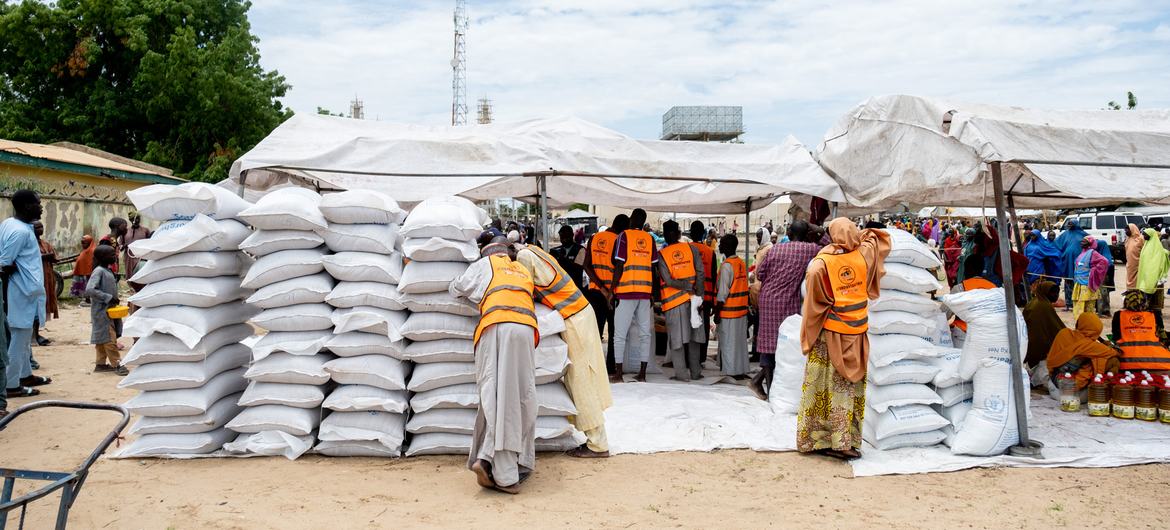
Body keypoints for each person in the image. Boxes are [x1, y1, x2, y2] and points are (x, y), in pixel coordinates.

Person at [450, 238, 539, 494]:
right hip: (526, 330)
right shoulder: (522, 270)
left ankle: (504, 474)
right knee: (521, 398)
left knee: (496, 397)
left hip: (496, 326)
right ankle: (489, 459)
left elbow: (457, 287)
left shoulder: (485, 264)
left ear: (487, 253)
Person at [797, 218, 889, 460]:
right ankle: (845, 439)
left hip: (830, 336)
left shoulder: (820, 265)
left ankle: (818, 439)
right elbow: (877, 236)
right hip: (857, 334)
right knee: (849, 387)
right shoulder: (865, 255)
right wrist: (855, 237)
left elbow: (814, 305)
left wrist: (808, 333)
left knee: (822, 386)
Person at [513, 241, 613, 458]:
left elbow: (524, 291)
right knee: (585, 375)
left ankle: (598, 444)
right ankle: (595, 436)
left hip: (574, 318)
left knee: (581, 379)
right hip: (580, 313)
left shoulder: (524, 259)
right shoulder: (533, 251)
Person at [750, 220, 821, 399]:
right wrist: (817, 229)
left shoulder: (775, 249)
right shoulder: (810, 250)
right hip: (788, 302)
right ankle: (772, 389)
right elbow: (829, 243)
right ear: (806, 234)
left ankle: (763, 384)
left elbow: (760, 274)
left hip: (768, 300)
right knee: (785, 343)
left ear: (788, 234)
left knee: (768, 344)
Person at [0, 190, 51, 398]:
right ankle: (11, 386)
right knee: (19, 337)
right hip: (20, 292)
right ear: (26, 206)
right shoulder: (19, 231)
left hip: (26, 291)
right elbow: (4, 263)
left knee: (23, 336)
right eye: (38, 204)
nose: (41, 207)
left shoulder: (12, 224)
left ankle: (25, 375)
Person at [609, 209, 657, 383]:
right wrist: (652, 293)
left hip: (626, 292)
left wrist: (611, 291)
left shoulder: (624, 236)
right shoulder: (650, 239)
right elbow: (653, 268)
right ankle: (642, 374)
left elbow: (619, 265)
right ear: (643, 222)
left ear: (631, 220)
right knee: (646, 334)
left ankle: (619, 374)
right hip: (644, 293)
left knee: (619, 335)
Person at [655, 221, 705, 381]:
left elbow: (668, 281)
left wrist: (685, 286)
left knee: (677, 339)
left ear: (664, 234)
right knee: (694, 337)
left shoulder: (662, 255)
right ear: (678, 233)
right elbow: (700, 274)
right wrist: (698, 295)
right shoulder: (691, 249)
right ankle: (696, 373)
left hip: (674, 303)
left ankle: (682, 375)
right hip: (693, 300)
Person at [585, 215, 628, 375]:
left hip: (595, 291)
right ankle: (610, 367)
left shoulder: (594, 238)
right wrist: (609, 291)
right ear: (623, 227)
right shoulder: (619, 241)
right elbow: (619, 267)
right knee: (614, 332)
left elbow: (586, 266)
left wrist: (601, 287)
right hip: (613, 293)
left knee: (595, 331)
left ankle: (592, 366)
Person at [84, 245, 128, 376]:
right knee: (109, 339)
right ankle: (117, 364)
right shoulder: (98, 271)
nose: (115, 256)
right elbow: (90, 289)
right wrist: (108, 298)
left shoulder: (106, 271)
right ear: (102, 257)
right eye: (112, 254)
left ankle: (100, 364)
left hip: (108, 311)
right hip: (102, 312)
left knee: (102, 339)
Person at [1047, 313, 1120, 391]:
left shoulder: (1064, 333)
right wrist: (1105, 344)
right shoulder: (1090, 345)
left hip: (1053, 379)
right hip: (1071, 388)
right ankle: (1099, 384)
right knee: (1111, 360)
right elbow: (1115, 352)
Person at [714, 234, 749, 379]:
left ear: (728, 247)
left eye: (721, 243)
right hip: (741, 311)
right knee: (739, 344)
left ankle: (730, 372)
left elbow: (722, 294)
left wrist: (717, 313)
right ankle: (739, 370)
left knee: (728, 344)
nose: (719, 246)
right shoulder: (740, 263)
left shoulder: (727, 266)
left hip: (729, 312)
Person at [1113, 290, 1170, 373]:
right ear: (1145, 302)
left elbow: (1115, 337)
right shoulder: (1154, 315)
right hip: (1159, 362)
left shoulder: (1118, 315)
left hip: (1125, 362)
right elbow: (1163, 337)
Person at [1022, 281, 1065, 385]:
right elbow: (1057, 329)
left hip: (1029, 346)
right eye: (1053, 293)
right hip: (1040, 348)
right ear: (1045, 292)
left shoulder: (1035, 302)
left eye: (1057, 293)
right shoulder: (1043, 306)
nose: (1056, 296)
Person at [1070, 236, 1110, 321]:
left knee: (1088, 308)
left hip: (1087, 285)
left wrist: (1093, 271)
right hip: (1079, 284)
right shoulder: (1082, 253)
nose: (1082, 242)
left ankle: (1087, 325)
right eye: (1082, 240)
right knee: (1078, 307)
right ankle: (1080, 324)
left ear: (1090, 244)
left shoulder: (1093, 253)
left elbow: (1104, 261)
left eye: (1085, 241)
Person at [33, 221, 58, 346]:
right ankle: (32, 335)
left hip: (47, 278)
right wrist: (44, 257)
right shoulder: (29, 244)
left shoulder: (45, 244)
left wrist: (50, 256)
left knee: (43, 305)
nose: (40, 229)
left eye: (41, 227)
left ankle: (36, 333)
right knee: (34, 306)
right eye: (37, 227)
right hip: (35, 279)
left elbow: (54, 257)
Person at [1055, 220, 1089, 308]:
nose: (1069, 225)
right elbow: (1055, 243)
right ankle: (1069, 303)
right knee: (1068, 280)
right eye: (1068, 224)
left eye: (1071, 223)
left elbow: (1091, 244)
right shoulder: (1065, 234)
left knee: (1079, 281)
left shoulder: (1083, 234)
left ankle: (1079, 302)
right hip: (1067, 261)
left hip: (1080, 262)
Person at [1136, 227, 1170, 310]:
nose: (1143, 236)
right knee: (1143, 295)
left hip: (1153, 276)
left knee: (1151, 297)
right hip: (1144, 275)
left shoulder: (1158, 249)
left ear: (1151, 235)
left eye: (1145, 234)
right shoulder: (1146, 245)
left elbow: (1159, 264)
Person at [550, 225, 586, 290]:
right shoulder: (557, 250)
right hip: (560, 287)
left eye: (567, 237)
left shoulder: (580, 250)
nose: (564, 240)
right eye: (562, 237)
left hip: (575, 287)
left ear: (572, 235)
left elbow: (577, 269)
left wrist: (562, 259)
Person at [120, 212, 152, 276]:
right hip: (129, 257)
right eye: (134, 219)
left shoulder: (145, 230)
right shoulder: (125, 231)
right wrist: (124, 246)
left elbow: (150, 244)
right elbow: (120, 246)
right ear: (130, 220)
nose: (137, 220)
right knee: (130, 274)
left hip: (141, 256)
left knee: (141, 273)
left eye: (138, 218)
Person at [1094, 240, 1116, 317]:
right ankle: (1103, 309)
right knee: (1104, 293)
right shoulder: (1107, 255)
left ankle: (1103, 310)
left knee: (1102, 293)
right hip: (1106, 278)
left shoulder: (1103, 258)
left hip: (1103, 278)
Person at [71, 234, 95, 299]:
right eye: (81, 242)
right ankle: (84, 296)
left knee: (88, 285)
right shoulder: (85, 251)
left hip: (88, 273)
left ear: (89, 242)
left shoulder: (92, 251)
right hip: (81, 271)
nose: (82, 244)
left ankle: (88, 298)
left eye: (84, 243)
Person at [1125, 223, 1144, 290]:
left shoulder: (1140, 239)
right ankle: (1130, 292)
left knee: (1137, 280)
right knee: (1129, 278)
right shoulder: (1128, 239)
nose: (1126, 231)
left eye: (1127, 229)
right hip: (1130, 264)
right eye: (1125, 230)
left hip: (1138, 264)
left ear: (1132, 230)